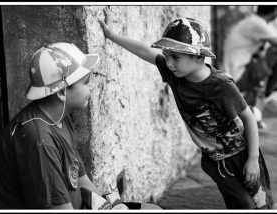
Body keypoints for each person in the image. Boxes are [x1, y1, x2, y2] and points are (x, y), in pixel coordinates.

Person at [100, 7, 277, 209]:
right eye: (167, 56)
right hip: (215, 161)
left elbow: (249, 118)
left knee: (260, 202)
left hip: (242, 155)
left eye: (175, 58)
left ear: (199, 57)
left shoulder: (221, 85)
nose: (169, 63)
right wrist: (111, 35)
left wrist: (253, 159)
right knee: (240, 203)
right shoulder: (176, 75)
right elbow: (145, 51)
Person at [0, 42, 161, 210]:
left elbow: (80, 178)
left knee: (154, 210)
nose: (91, 88)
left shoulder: (60, 117)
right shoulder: (39, 139)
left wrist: (108, 207)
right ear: (61, 93)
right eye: (86, 83)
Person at [222, 5, 277, 129]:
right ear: (274, 11)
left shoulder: (252, 21)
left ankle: (254, 111)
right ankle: (269, 92)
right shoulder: (257, 23)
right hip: (237, 75)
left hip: (237, 71)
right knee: (274, 52)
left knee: (262, 57)